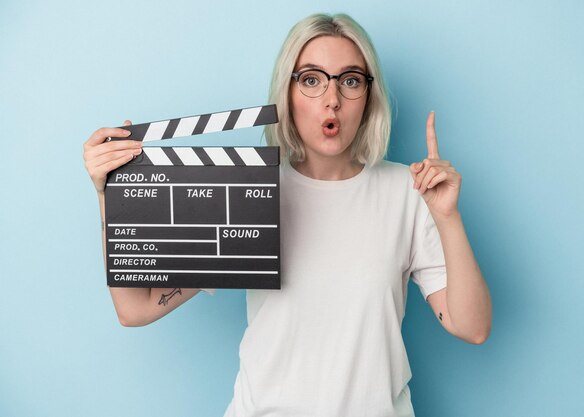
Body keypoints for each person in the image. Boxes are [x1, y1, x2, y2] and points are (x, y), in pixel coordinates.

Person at [83, 12, 491, 417]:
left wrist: (447, 216)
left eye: (350, 80)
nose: (332, 99)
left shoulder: (407, 191)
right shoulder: (246, 191)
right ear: (288, 93)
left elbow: (472, 327)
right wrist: (109, 193)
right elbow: (135, 309)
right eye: (312, 80)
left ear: (369, 97)